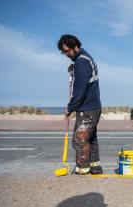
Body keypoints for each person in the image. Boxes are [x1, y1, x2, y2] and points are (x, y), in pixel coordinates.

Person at [57, 34, 103, 175]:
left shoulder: (81, 63)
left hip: (87, 109)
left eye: (66, 51)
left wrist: (70, 108)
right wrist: (74, 70)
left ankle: (83, 170)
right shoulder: (86, 58)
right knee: (90, 139)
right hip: (93, 107)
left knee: (79, 140)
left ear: (74, 46)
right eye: (63, 52)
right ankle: (95, 168)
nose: (65, 54)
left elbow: (79, 91)